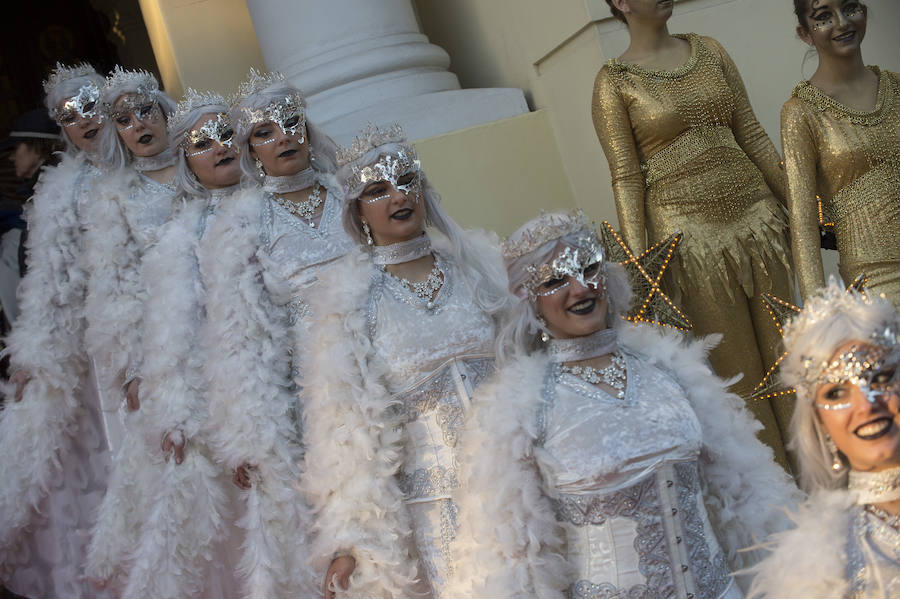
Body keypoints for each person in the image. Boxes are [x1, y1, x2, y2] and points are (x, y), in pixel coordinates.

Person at [447, 211, 801, 598]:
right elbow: (515, 557)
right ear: (528, 301)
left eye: (589, 268)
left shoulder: (672, 368)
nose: (581, 289)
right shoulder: (519, 408)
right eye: (554, 281)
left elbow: (746, 491)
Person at [299, 124, 509, 598]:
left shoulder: (478, 269)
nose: (398, 196)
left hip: (515, 487)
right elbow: (344, 431)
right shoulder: (350, 305)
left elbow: (529, 366)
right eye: (378, 189)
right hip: (437, 511)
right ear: (357, 209)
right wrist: (350, 539)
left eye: (406, 180)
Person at [593, 0, 795, 463]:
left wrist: (804, 209)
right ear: (620, 3)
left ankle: (824, 483)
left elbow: (754, 135)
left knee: (790, 356)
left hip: (759, 219)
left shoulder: (710, 50)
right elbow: (626, 177)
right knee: (737, 373)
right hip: (689, 237)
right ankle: (775, 503)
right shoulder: (615, 81)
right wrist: (639, 272)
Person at [200, 69, 351, 596]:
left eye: (291, 123)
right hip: (310, 401)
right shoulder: (242, 224)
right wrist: (251, 434)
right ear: (249, 150)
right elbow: (238, 338)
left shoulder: (353, 197)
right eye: (265, 132)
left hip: (384, 372)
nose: (283, 136)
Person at [0, 63, 113, 599]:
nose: (82, 122)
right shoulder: (55, 192)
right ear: (60, 129)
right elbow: (50, 281)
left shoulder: (149, 166)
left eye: (89, 107)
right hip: (88, 354)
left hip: (152, 340)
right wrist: (35, 352)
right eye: (68, 116)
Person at [82, 65, 177, 591]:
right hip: (164, 340)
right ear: (115, 132)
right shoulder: (116, 196)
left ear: (166, 113)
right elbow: (117, 292)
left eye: (146, 111)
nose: (139, 123)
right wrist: (137, 366)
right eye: (124, 118)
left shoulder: (202, 164)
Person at [748, 281, 900, 598]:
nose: (867, 404)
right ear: (820, 422)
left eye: (881, 378)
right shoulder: (826, 566)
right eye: (836, 393)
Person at [782, 0, 900, 306]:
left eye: (850, 8)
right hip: (875, 283)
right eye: (823, 17)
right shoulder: (801, 113)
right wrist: (818, 317)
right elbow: (804, 223)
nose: (842, 22)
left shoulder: (897, 87)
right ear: (805, 33)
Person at [0, 108, 62, 324]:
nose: (11, 157)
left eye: (16, 148)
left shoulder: (58, 188)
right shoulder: (39, 190)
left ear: (35, 147)